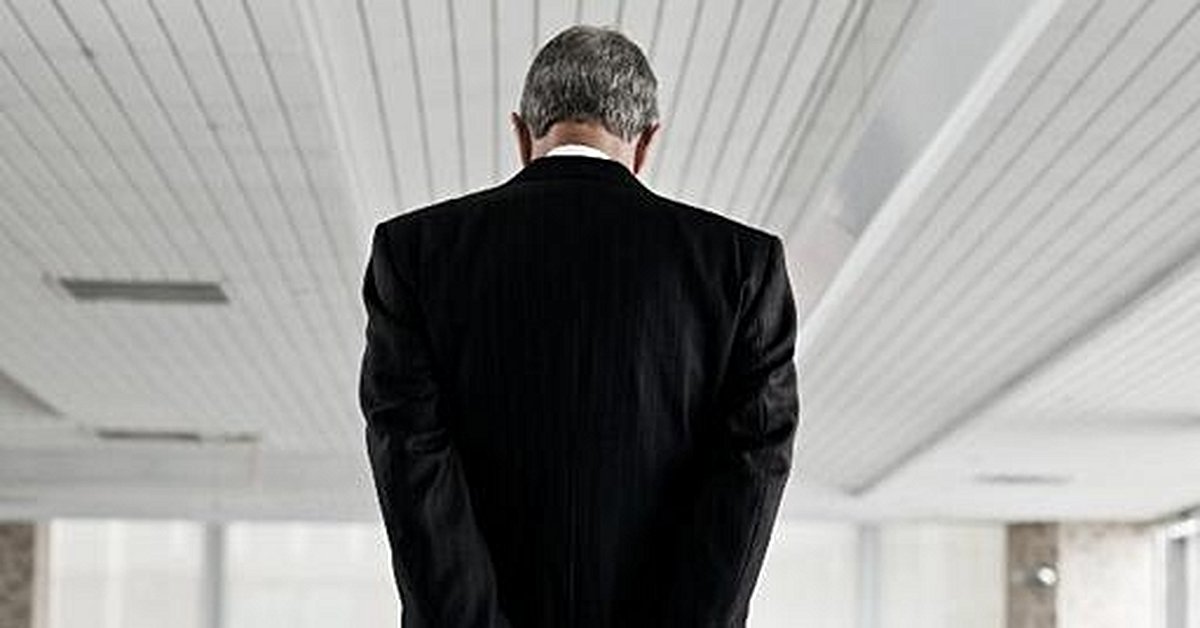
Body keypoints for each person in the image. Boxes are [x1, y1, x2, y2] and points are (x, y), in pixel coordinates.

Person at [359, 24, 799, 628]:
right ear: (647, 142)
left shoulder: (413, 254)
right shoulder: (743, 267)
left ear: (521, 134)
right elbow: (752, 470)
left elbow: (412, 464)